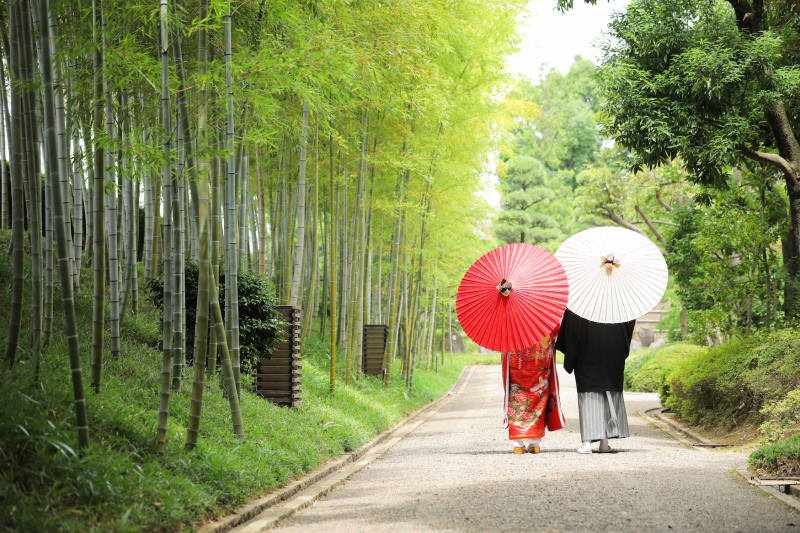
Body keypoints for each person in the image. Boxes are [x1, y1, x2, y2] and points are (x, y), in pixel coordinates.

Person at [555, 308, 636, 454]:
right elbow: (629, 323)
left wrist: (571, 358)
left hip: (587, 355)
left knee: (588, 397)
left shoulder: (579, 304)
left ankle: (587, 444)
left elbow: (571, 333)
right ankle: (604, 444)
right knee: (610, 392)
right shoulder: (618, 303)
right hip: (612, 354)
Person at [501, 327, 566, 454]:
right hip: (540, 359)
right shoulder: (543, 311)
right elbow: (556, 329)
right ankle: (535, 443)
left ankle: (518, 443)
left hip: (516, 360)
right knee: (539, 397)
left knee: (515, 397)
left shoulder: (510, 313)